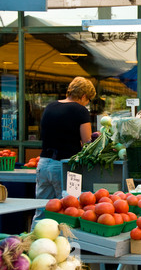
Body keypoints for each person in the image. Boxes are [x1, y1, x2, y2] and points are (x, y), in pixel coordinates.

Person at [33, 76, 96, 222]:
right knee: (68, 211)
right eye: (88, 100)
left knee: (42, 210)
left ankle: (32, 241)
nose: (87, 103)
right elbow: (87, 141)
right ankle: (67, 243)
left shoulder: (50, 107)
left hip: (43, 164)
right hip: (65, 166)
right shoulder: (80, 110)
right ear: (84, 96)